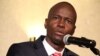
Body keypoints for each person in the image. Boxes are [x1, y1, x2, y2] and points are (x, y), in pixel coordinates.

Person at [7, 1, 78, 56]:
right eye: (56, 18)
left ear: (73, 30)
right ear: (46, 23)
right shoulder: (21, 51)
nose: (61, 24)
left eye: (68, 21)